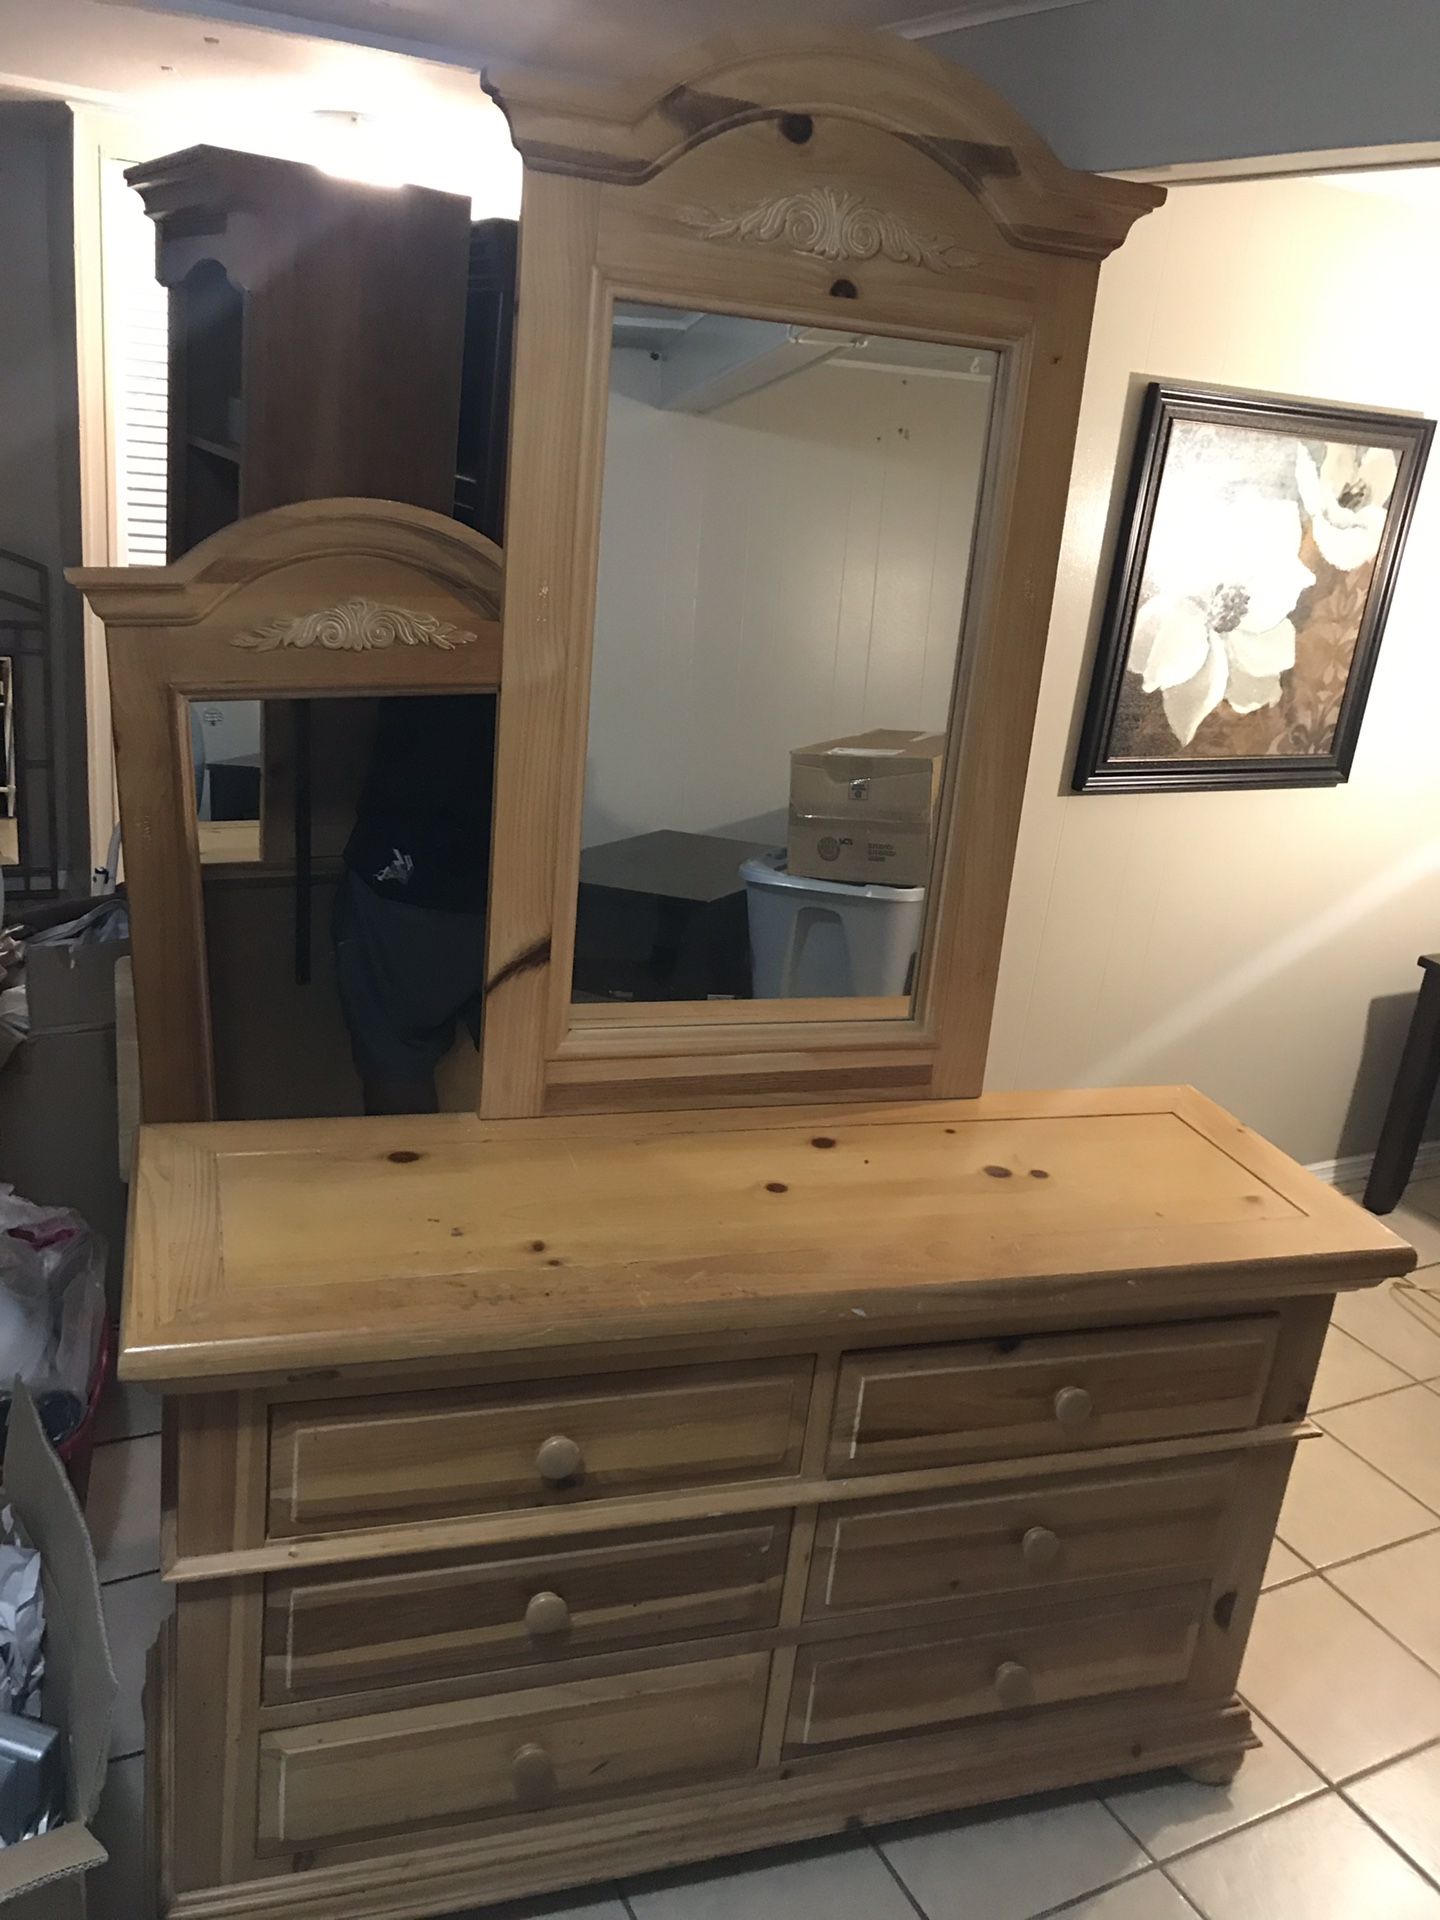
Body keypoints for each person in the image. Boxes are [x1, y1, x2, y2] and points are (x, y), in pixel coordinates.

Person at [332, 693, 496, 1114]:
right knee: (526, 1060)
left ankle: (408, 1179)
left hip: (405, 859)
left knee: (395, 1060)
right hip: (524, 853)